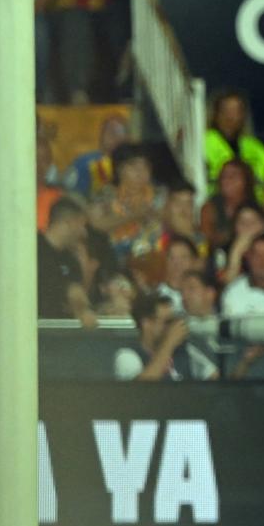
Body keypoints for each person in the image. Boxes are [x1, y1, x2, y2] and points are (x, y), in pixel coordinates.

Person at [113, 292, 219, 380]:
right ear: (147, 323)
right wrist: (169, 343)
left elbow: (214, 378)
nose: (172, 327)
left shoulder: (185, 350)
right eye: (167, 322)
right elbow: (138, 391)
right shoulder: (127, 355)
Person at [39, 196, 100, 324]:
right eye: (81, 225)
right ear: (68, 222)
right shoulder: (31, 250)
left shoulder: (71, 260)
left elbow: (78, 296)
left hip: (62, 334)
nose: (84, 233)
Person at [60, 115, 129, 200]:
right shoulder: (85, 162)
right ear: (102, 134)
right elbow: (68, 193)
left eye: (120, 132)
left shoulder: (129, 165)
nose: (115, 137)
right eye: (110, 131)